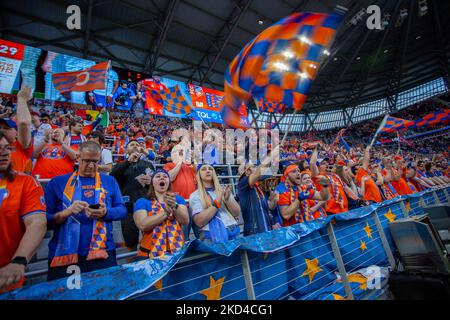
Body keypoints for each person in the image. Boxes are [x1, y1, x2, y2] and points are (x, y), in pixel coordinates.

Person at [44, 141, 126, 280]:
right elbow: (44, 221)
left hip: (103, 252)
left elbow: (122, 210)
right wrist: (67, 212)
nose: (91, 166)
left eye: (95, 161)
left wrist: (106, 213)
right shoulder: (57, 183)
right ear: (77, 157)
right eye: (86, 161)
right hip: (65, 255)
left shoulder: (109, 181)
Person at [0, 131, 47, 292]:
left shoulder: (25, 182)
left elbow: (37, 222)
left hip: (6, 276)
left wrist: (19, 260)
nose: (4, 152)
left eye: (7, 148)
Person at [110, 139, 155, 251]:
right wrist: (128, 162)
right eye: (132, 145)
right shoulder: (120, 165)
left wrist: (151, 182)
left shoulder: (148, 164)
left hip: (147, 205)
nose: (135, 146)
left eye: (137, 144)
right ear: (126, 149)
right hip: (128, 207)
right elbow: (112, 177)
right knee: (130, 241)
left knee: (151, 238)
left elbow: (157, 184)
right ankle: (133, 264)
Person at [133, 169, 189, 258]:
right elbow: (142, 225)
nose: (162, 178)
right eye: (158, 176)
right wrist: (166, 213)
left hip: (176, 253)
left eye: (165, 176)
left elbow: (185, 221)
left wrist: (175, 206)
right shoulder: (142, 201)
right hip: (149, 254)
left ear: (169, 182)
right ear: (152, 183)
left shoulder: (178, 200)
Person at [189, 164, 241, 244]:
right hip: (211, 236)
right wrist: (217, 203)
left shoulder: (223, 190)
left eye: (210, 169)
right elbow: (199, 221)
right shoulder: (195, 195)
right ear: (198, 175)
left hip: (233, 230)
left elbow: (236, 213)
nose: (208, 171)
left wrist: (227, 200)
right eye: (204, 169)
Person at [237, 145, 282, 236]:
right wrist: (271, 155)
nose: (256, 168)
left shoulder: (259, 187)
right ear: (247, 172)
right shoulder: (242, 183)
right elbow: (258, 172)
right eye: (253, 167)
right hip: (254, 231)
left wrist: (274, 201)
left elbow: (269, 208)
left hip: (266, 228)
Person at [0, 86, 33, 174]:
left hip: (12, 186)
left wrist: (22, 99)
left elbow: (23, 123)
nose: (2, 130)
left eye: (6, 128)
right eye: (0, 127)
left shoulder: (21, 145)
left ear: (16, 133)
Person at [311, 148, 349, 214]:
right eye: (323, 163)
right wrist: (315, 150)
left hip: (344, 210)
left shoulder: (335, 176)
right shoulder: (318, 177)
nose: (326, 164)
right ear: (318, 167)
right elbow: (312, 163)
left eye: (326, 163)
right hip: (331, 212)